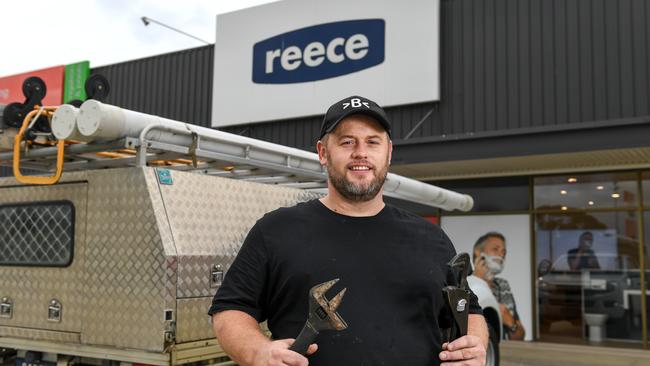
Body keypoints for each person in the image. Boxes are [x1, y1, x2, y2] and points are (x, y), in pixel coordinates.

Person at [209, 95, 488, 366]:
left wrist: (475, 344)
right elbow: (230, 310)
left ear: (388, 153)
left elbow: (470, 311)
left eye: (372, 142)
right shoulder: (276, 231)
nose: (361, 153)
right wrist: (258, 351)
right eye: (347, 142)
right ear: (322, 152)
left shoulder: (432, 239)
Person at [472, 232, 525, 340]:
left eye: (503, 252)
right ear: (478, 253)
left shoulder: (503, 285)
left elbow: (520, 336)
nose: (501, 255)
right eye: (496, 249)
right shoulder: (464, 283)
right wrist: (479, 279)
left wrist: (511, 323)